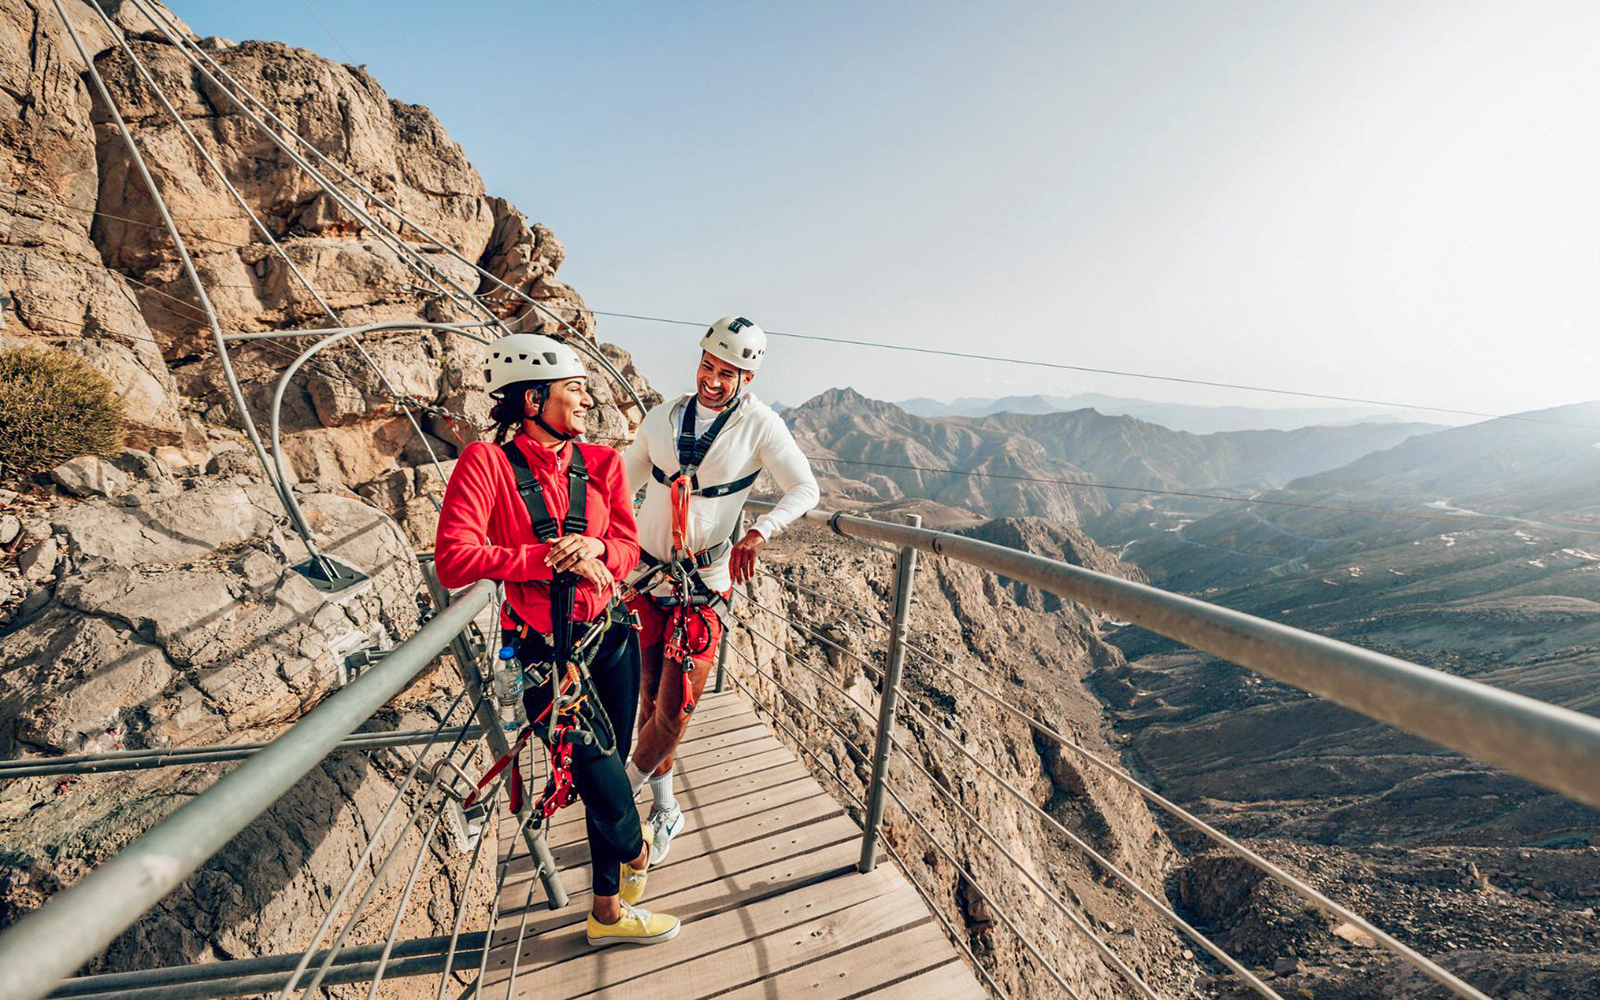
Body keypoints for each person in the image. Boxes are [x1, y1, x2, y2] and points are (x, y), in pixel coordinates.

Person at [434, 333, 679, 947]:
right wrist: (546, 558)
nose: (587, 399)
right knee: (599, 771)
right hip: (541, 649)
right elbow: (454, 560)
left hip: (610, 638)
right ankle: (635, 848)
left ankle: (606, 915)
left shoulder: (599, 463)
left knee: (612, 763)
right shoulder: (485, 465)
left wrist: (596, 547)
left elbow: (626, 549)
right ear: (533, 397)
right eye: (576, 389)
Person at [621, 316, 819, 859]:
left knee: (676, 708)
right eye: (709, 366)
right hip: (644, 577)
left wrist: (759, 531)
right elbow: (619, 483)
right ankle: (666, 811)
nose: (713, 380)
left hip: (702, 586)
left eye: (727, 373)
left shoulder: (759, 426)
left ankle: (617, 800)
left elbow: (805, 488)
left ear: (746, 380)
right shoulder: (663, 418)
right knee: (648, 701)